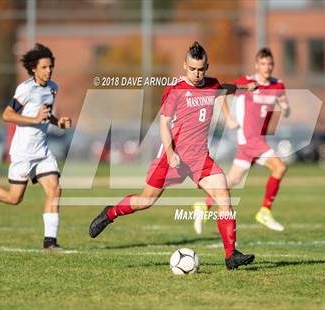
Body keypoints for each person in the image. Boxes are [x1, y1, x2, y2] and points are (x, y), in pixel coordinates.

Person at [89, 41, 255, 269]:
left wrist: (247, 89)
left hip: (199, 159)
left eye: (202, 69)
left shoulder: (211, 84)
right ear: (184, 66)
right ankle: (111, 212)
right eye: (193, 69)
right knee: (146, 201)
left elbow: (225, 87)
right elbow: (164, 124)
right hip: (173, 157)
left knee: (223, 194)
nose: (197, 74)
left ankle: (231, 255)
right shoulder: (175, 90)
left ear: (207, 67)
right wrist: (169, 153)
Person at [0, 43, 72, 249]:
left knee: (55, 189)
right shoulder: (25, 89)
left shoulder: (53, 88)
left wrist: (58, 122)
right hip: (23, 153)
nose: (48, 71)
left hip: (43, 151)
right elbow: (7, 115)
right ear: (33, 69)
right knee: (14, 198)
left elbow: (45, 114)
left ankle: (50, 242)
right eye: (44, 67)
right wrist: (35, 119)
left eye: (50, 67)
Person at [194, 47, 290, 234]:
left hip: (256, 140)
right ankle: (264, 211)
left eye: (270, 64)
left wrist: (285, 107)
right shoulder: (247, 82)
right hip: (249, 139)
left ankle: (203, 207)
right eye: (263, 63)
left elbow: (284, 103)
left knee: (232, 180)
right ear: (256, 64)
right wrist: (228, 118)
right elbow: (220, 92)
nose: (267, 67)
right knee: (279, 167)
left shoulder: (277, 85)